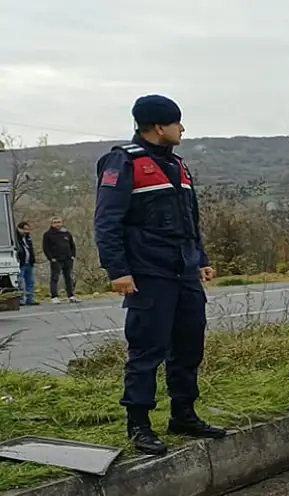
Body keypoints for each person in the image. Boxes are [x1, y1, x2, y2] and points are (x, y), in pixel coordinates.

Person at [94, 94, 227, 455]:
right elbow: (107, 221)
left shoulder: (177, 164)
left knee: (189, 345)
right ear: (157, 127)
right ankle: (139, 424)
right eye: (176, 122)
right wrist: (118, 270)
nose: (182, 128)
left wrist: (201, 258)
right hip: (148, 272)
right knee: (147, 350)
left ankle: (183, 415)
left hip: (184, 271)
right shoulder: (123, 162)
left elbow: (189, 219)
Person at [42, 216, 78, 303]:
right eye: (55, 222)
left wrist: (72, 255)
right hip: (56, 259)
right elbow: (46, 248)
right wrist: (51, 258)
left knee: (68, 277)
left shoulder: (66, 233)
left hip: (68, 259)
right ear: (51, 224)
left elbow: (72, 245)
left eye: (59, 222)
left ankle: (71, 296)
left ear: (62, 223)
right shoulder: (48, 234)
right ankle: (54, 297)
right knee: (55, 278)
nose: (57, 224)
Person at [14, 221, 36, 305]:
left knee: (30, 281)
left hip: (29, 262)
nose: (26, 231)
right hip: (21, 263)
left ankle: (30, 299)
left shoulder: (27, 238)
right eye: (24, 229)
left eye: (27, 229)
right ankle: (21, 299)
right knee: (20, 281)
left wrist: (33, 259)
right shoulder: (16, 238)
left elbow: (30, 249)